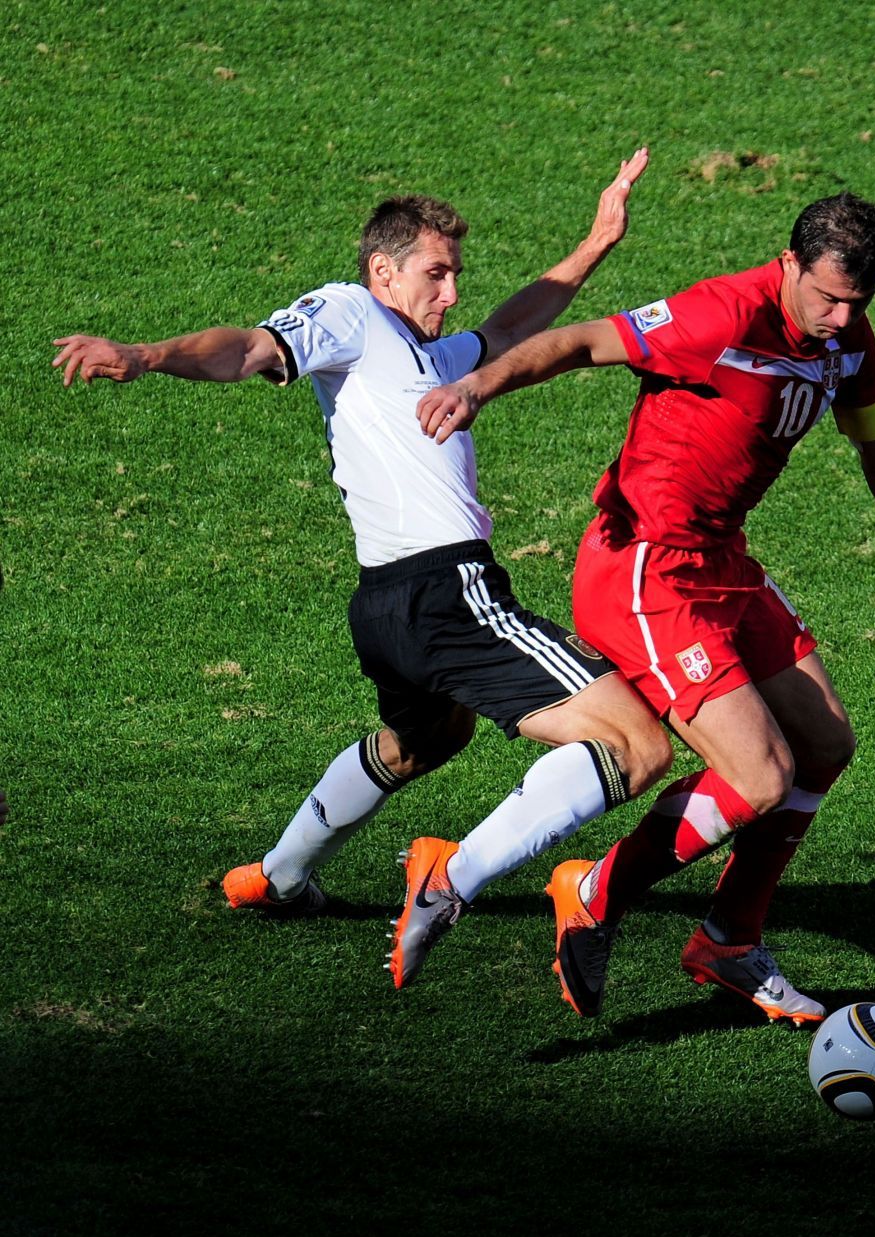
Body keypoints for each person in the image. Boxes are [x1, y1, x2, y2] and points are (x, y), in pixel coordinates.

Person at [52, 149, 673, 990]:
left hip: (387, 607)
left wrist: (596, 243)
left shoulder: (431, 356)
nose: (449, 292)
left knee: (427, 737)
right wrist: (146, 353)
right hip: (449, 589)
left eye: (455, 276)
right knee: (634, 742)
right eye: (435, 273)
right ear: (383, 271)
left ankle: (278, 873)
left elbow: (514, 325)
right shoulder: (351, 313)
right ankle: (451, 876)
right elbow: (249, 349)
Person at [417, 191, 875, 1026]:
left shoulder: (847, 343)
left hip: (722, 561)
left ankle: (728, 939)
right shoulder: (719, 314)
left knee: (826, 741)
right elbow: (581, 342)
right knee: (760, 775)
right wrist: (479, 386)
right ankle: (592, 887)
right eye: (826, 296)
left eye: (856, 303)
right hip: (645, 566)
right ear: (790, 263)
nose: (838, 318)